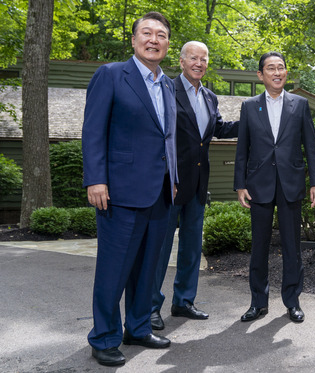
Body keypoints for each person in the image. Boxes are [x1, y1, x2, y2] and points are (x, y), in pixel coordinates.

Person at [82, 11, 177, 367]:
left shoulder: (167, 85)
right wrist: (95, 178)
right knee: (114, 269)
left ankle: (137, 327)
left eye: (162, 35)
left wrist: (175, 180)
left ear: (167, 44)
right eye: (147, 33)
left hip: (160, 193)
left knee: (147, 268)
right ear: (134, 39)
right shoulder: (110, 75)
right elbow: (93, 130)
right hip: (119, 192)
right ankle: (104, 337)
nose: (154, 39)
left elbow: (167, 140)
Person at [150, 41, 239, 330]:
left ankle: (183, 301)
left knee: (191, 248)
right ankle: (150, 306)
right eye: (193, 58)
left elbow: (218, 129)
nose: (199, 63)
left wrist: (252, 117)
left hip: (199, 186)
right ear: (181, 61)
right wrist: (167, 177)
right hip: (171, 185)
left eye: (203, 58)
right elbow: (159, 136)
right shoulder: (167, 90)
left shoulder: (210, 97)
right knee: (160, 249)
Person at [234, 51, 315, 323]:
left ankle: (292, 301)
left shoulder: (300, 104)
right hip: (258, 186)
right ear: (261, 75)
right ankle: (258, 303)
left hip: (290, 184)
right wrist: (240, 185)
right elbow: (242, 149)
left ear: (286, 73)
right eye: (270, 68)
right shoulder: (250, 106)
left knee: (291, 247)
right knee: (258, 247)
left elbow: (310, 145)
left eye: (281, 67)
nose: (276, 72)